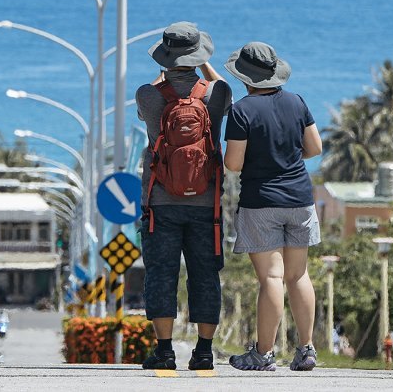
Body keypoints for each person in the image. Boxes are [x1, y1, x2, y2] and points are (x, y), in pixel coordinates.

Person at [136, 23, 231, 371]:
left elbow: (152, 114)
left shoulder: (147, 95)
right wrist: (205, 67)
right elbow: (223, 86)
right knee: (205, 273)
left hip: (161, 202)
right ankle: (203, 351)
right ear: (198, 56)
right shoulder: (215, 95)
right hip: (208, 204)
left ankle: (164, 350)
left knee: (161, 272)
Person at [223, 41, 323, 372]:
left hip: (261, 201)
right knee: (298, 275)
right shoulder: (297, 102)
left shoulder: (242, 110)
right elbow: (315, 148)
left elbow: (233, 163)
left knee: (271, 277)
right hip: (300, 198)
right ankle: (306, 349)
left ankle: (263, 354)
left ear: (244, 77)